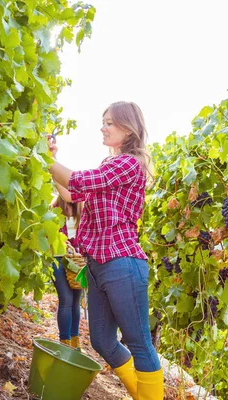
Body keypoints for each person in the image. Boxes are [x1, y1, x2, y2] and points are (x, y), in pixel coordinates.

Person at [47, 101, 163, 400]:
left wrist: (42, 159)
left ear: (129, 127)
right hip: (98, 265)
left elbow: (79, 180)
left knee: (139, 343)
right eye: (104, 121)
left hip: (122, 263)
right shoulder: (110, 164)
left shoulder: (128, 163)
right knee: (101, 339)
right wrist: (50, 161)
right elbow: (74, 193)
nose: (103, 127)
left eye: (109, 122)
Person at [51, 195, 83, 349]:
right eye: (69, 206)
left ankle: (74, 340)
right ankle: (65, 342)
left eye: (74, 206)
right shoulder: (53, 213)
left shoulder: (80, 215)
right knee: (66, 299)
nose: (71, 211)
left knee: (76, 300)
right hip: (58, 259)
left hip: (76, 262)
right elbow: (47, 237)